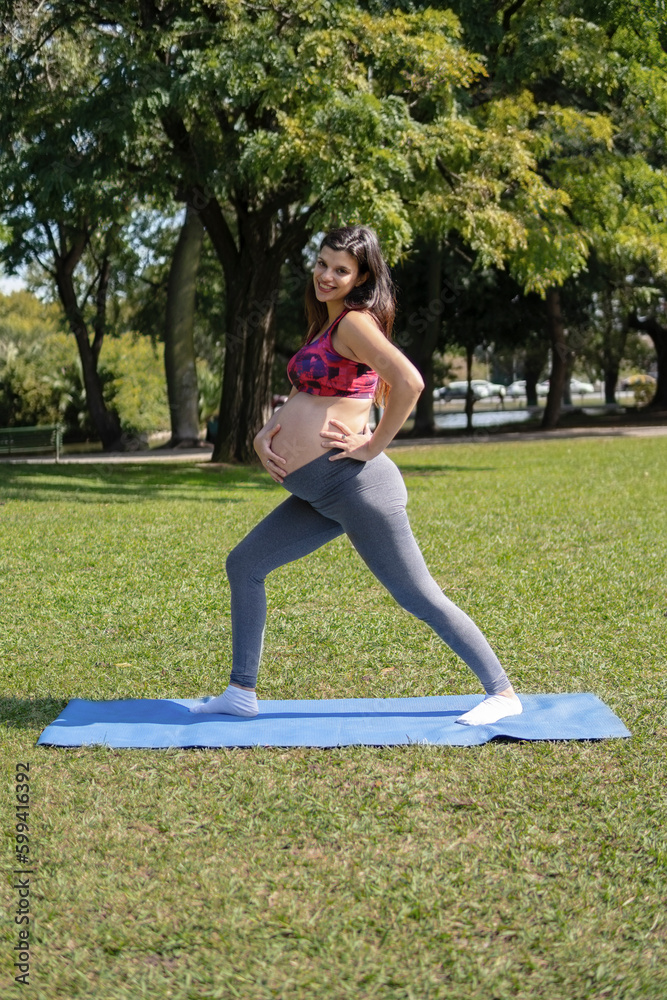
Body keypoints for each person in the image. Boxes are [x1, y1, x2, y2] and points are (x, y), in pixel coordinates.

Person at [191, 225, 522, 727]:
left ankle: (502, 691)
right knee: (245, 564)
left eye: (340, 269)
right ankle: (241, 690)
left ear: (360, 276)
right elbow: (318, 397)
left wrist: (371, 446)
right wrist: (266, 434)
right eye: (322, 264)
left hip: (357, 487)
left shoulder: (353, 323)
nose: (327, 275)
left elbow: (409, 382)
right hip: (322, 493)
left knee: (418, 595)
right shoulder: (327, 325)